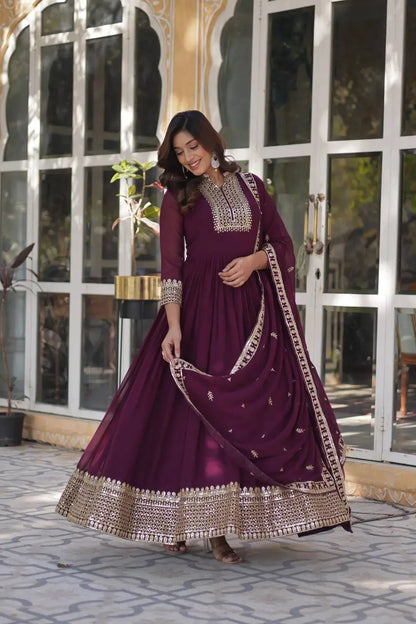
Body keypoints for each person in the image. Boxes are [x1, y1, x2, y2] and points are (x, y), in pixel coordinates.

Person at [57, 110, 351, 564]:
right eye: (179, 152)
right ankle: (193, 525)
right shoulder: (178, 195)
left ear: (211, 142)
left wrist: (253, 262)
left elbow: (282, 245)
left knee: (243, 415)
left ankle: (224, 523)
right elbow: (171, 267)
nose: (189, 157)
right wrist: (174, 326)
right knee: (192, 418)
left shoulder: (253, 187)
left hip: (251, 315)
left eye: (193, 147)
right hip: (199, 315)